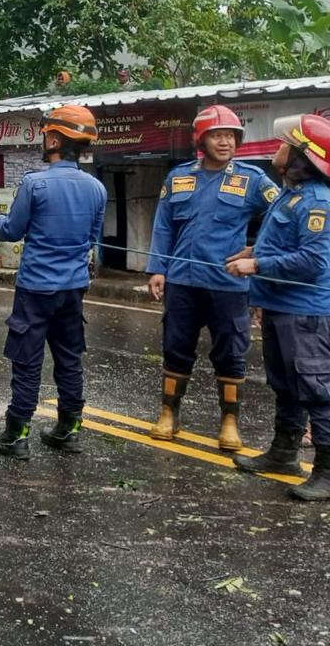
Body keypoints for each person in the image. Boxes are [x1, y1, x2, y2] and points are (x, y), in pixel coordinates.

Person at [145, 105, 278, 450]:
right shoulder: (178, 177)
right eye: (218, 135)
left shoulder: (252, 179)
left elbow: (283, 217)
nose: (226, 141)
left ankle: (229, 421)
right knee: (175, 348)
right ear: (201, 139)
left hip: (228, 286)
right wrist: (158, 268)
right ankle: (168, 413)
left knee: (231, 352)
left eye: (231, 136)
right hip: (183, 282)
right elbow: (163, 225)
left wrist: (256, 252)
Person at [0, 104, 107, 459]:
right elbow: (93, 238)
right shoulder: (97, 188)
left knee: (27, 360)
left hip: (36, 289)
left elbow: (12, 231)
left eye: (45, 136)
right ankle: (68, 429)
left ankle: (16, 433)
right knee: (69, 358)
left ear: (55, 138)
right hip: (73, 289)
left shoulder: (34, 183)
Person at [227, 113, 330, 501]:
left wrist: (257, 265)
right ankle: (284, 454)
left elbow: (313, 262)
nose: (277, 148)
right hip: (280, 307)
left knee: (316, 389)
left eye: (285, 144)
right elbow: (289, 245)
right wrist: (256, 250)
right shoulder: (292, 194)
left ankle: (327, 471)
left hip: (305, 312)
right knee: (286, 386)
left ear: (304, 157)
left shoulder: (318, 202)